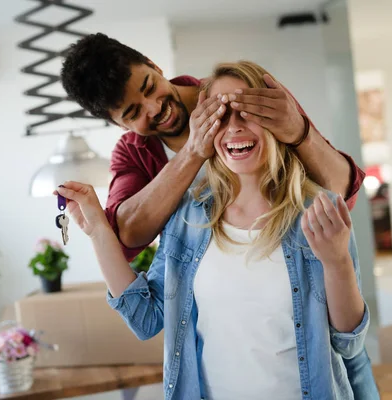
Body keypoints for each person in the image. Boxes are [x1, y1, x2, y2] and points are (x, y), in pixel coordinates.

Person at [55, 61, 378, 400]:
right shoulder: (188, 216)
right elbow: (145, 317)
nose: (233, 127)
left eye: (244, 111)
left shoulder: (318, 211)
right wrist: (97, 233)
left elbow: (350, 342)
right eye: (220, 116)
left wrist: (337, 261)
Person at [60, 33, 366, 261]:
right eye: (133, 113)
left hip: (296, 267)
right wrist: (193, 152)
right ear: (119, 125)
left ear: (154, 66)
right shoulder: (132, 153)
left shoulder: (241, 88)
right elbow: (127, 235)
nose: (154, 108)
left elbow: (341, 191)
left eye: (150, 86)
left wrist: (300, 132)